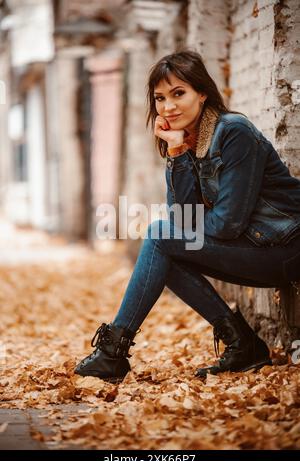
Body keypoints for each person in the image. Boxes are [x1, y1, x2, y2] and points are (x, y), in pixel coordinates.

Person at [75, 50, 300, 383]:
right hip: (256, 248)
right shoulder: (188, 141)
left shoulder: (234, 132)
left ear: (202, 93)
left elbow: (226, 223)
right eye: (160, 98)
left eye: (179, 93)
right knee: (163, 243)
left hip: (286, 248)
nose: (168, 107)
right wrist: (177, 153)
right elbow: (182, 216)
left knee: (161, 236)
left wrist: (183, 227)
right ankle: (243, 345)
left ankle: (113, 351)